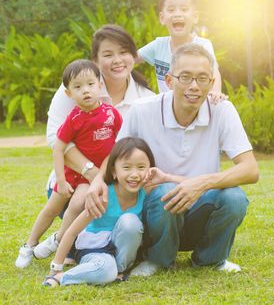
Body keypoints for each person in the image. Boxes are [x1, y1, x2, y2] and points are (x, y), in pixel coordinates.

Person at [85, 43, 259, 276]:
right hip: (154, 212)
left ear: (211, 82)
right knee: (163, 188)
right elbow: (117, 154)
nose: (194, 86)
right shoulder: (142, 110)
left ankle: (210, 259)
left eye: (202, 78)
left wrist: (202, 183)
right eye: (185, 77)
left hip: (198, 208)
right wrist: (97, 180)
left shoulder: (222, 110)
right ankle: (158, 260)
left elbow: (250, 169)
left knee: (235, 197)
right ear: (169, 81)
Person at [15, 59, 122, 268]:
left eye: (91, 84)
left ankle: (58, 238)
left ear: (100, 85)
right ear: (68, 93)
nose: (86, 91)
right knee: (52, 207)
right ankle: (29, 245)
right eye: (78, 87)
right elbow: (58, 148)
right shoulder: (74, 118)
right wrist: (61, 180)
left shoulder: (111, 113)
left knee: (77, 202)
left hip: (96, 175)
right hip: (75, 172)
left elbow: (120, 140)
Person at [46, 24, 155, 197]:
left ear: (134, 56)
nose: (117, 60)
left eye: (124, 52)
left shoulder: (147, 99)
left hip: (125, 187)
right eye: (108, 54)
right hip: (74, 182)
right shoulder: (75, 88)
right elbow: (55, 137)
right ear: (95, 61)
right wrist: (93, 174)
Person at [42, 137, 155, 287]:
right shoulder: (103, 197)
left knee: (130, 222)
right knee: (106, 270)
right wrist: (56, 266)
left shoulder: (147, 192)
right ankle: (62, 278)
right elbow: (72, 231)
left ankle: (120, 270)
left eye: (141, 167)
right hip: (96, 248)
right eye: (127, 168)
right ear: (114, 171)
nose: (134, 175)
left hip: (121, 251)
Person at [138, 0, 223, 99]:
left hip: (194, 107)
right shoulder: (158, 45)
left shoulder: (203, 45)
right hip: (166, 112)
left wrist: (215, 92)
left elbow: (214, 71)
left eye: (184, 9)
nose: (177, 14)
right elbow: (129, 60)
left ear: (195, 17)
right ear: (162, 18)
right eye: (171, 10)